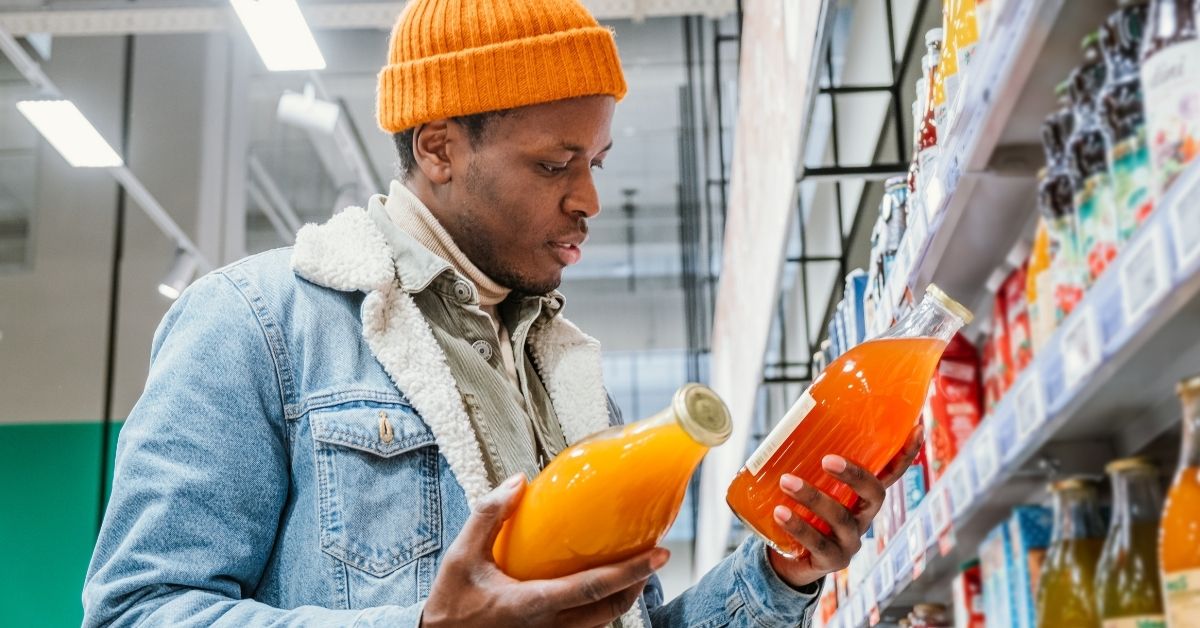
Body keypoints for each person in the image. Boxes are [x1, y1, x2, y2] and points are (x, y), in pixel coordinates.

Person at [82, 0, 922, 626]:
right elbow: (136, 611)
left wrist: (782, 571)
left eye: (595, 160)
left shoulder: (569, 377)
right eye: (556, 163)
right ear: (439, 148)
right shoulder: (255, 323)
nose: (590, 198)